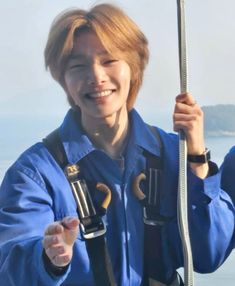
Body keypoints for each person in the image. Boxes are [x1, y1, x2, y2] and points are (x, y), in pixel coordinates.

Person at [0, 3, 234, 286]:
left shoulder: (173, 155)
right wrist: (47, 257)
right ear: (63, 78)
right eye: (78, 66)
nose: (96, 76)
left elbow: (209, 255)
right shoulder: (35, 174)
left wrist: (196, 159)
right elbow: (10, 268)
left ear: (133, 68)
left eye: (109, 60)